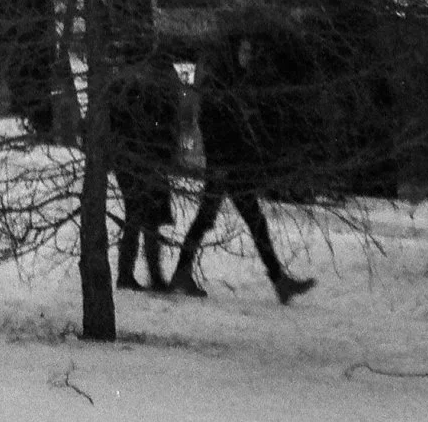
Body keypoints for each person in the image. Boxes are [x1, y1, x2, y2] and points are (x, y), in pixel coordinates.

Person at [173, 29, 315, 304]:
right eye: (244, 51)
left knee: (240, 220)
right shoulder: (221, 84)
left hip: (234, 166)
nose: (248, 57)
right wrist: (221, 163)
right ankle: (278, 281)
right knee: (221, 219)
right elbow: (212, 126)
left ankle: (278, 280)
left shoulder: (233, 81)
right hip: (226, 167)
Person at [108, 49, 181, 291]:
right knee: (145, 215)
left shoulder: (127, 82)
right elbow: (161, 124)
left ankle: (133, 273)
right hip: (146, 157)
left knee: (140, 214)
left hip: (132, 157)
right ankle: (145, 274)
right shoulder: (151, 89)